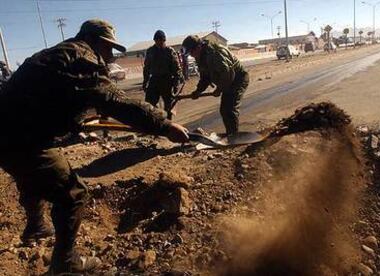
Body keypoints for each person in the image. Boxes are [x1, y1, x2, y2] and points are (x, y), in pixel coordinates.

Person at [0, 19, 189, 275]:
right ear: (95, 40)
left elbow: (48, 97)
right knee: (73, 193)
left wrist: (75, 118)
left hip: (7, 136)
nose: (110, 55)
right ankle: (66, 263)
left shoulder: (56, 54)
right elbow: (114, 101)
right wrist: (164, 126)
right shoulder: (83, 58)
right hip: (24, 140)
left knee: (32, 176)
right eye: (108, 47)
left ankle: (36, 226)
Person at [182, 35, 249, 136]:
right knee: (225, 109)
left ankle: (233, 136)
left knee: (229, 109)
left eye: (192, 52)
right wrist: (198, 91)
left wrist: (219, 89)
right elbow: (205, 77)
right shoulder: (200, 57)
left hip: (237, 79)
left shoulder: (216, 53)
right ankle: (231, 134)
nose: (191, 55)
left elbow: (228, 74)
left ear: (198, 47)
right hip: (227, 80)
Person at [143, 30, 184, 119]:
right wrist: (145, 81)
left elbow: (176, 68)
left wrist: (176, 83)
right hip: (154, 80)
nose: (159, 42)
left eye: (161, 40)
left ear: (164, 40)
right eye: (157, 40)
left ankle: (168, 124)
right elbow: (146, 68)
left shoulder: (169, 51)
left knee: (169, 106)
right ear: (155, 40)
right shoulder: (150, 51)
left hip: (167, 80)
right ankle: (155, 121)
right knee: (149, 104)